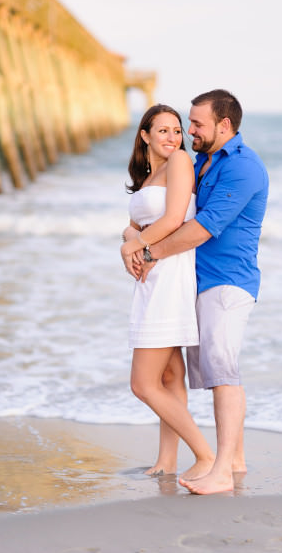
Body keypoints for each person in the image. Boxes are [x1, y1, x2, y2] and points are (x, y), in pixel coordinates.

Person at [126, 89, 268, 495]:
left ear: (224, 125)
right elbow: (154, 218)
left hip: (227, 281)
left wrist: (147, 252)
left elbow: (199, 227)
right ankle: (230, 462)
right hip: (193, 280)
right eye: (180, 125)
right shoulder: (204, 161)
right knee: (183, 375)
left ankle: (218, 465)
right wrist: (131, 241)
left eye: (195, 124)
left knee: (222, 369)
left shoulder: (243, 167)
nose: (188, 132)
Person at [118, 104, 216, 479]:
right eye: (163, 131)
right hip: (153, 276)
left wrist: (136, 244)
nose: (174, 138)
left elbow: (174, 218)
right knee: (170, 378)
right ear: (144, 135)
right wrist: (129, 242)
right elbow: (133, 225)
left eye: (177, 130)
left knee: (142, 384)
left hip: (171, 273)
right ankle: (167, 461)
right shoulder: (148, 175)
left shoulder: (178, 163)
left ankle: (205, 455)